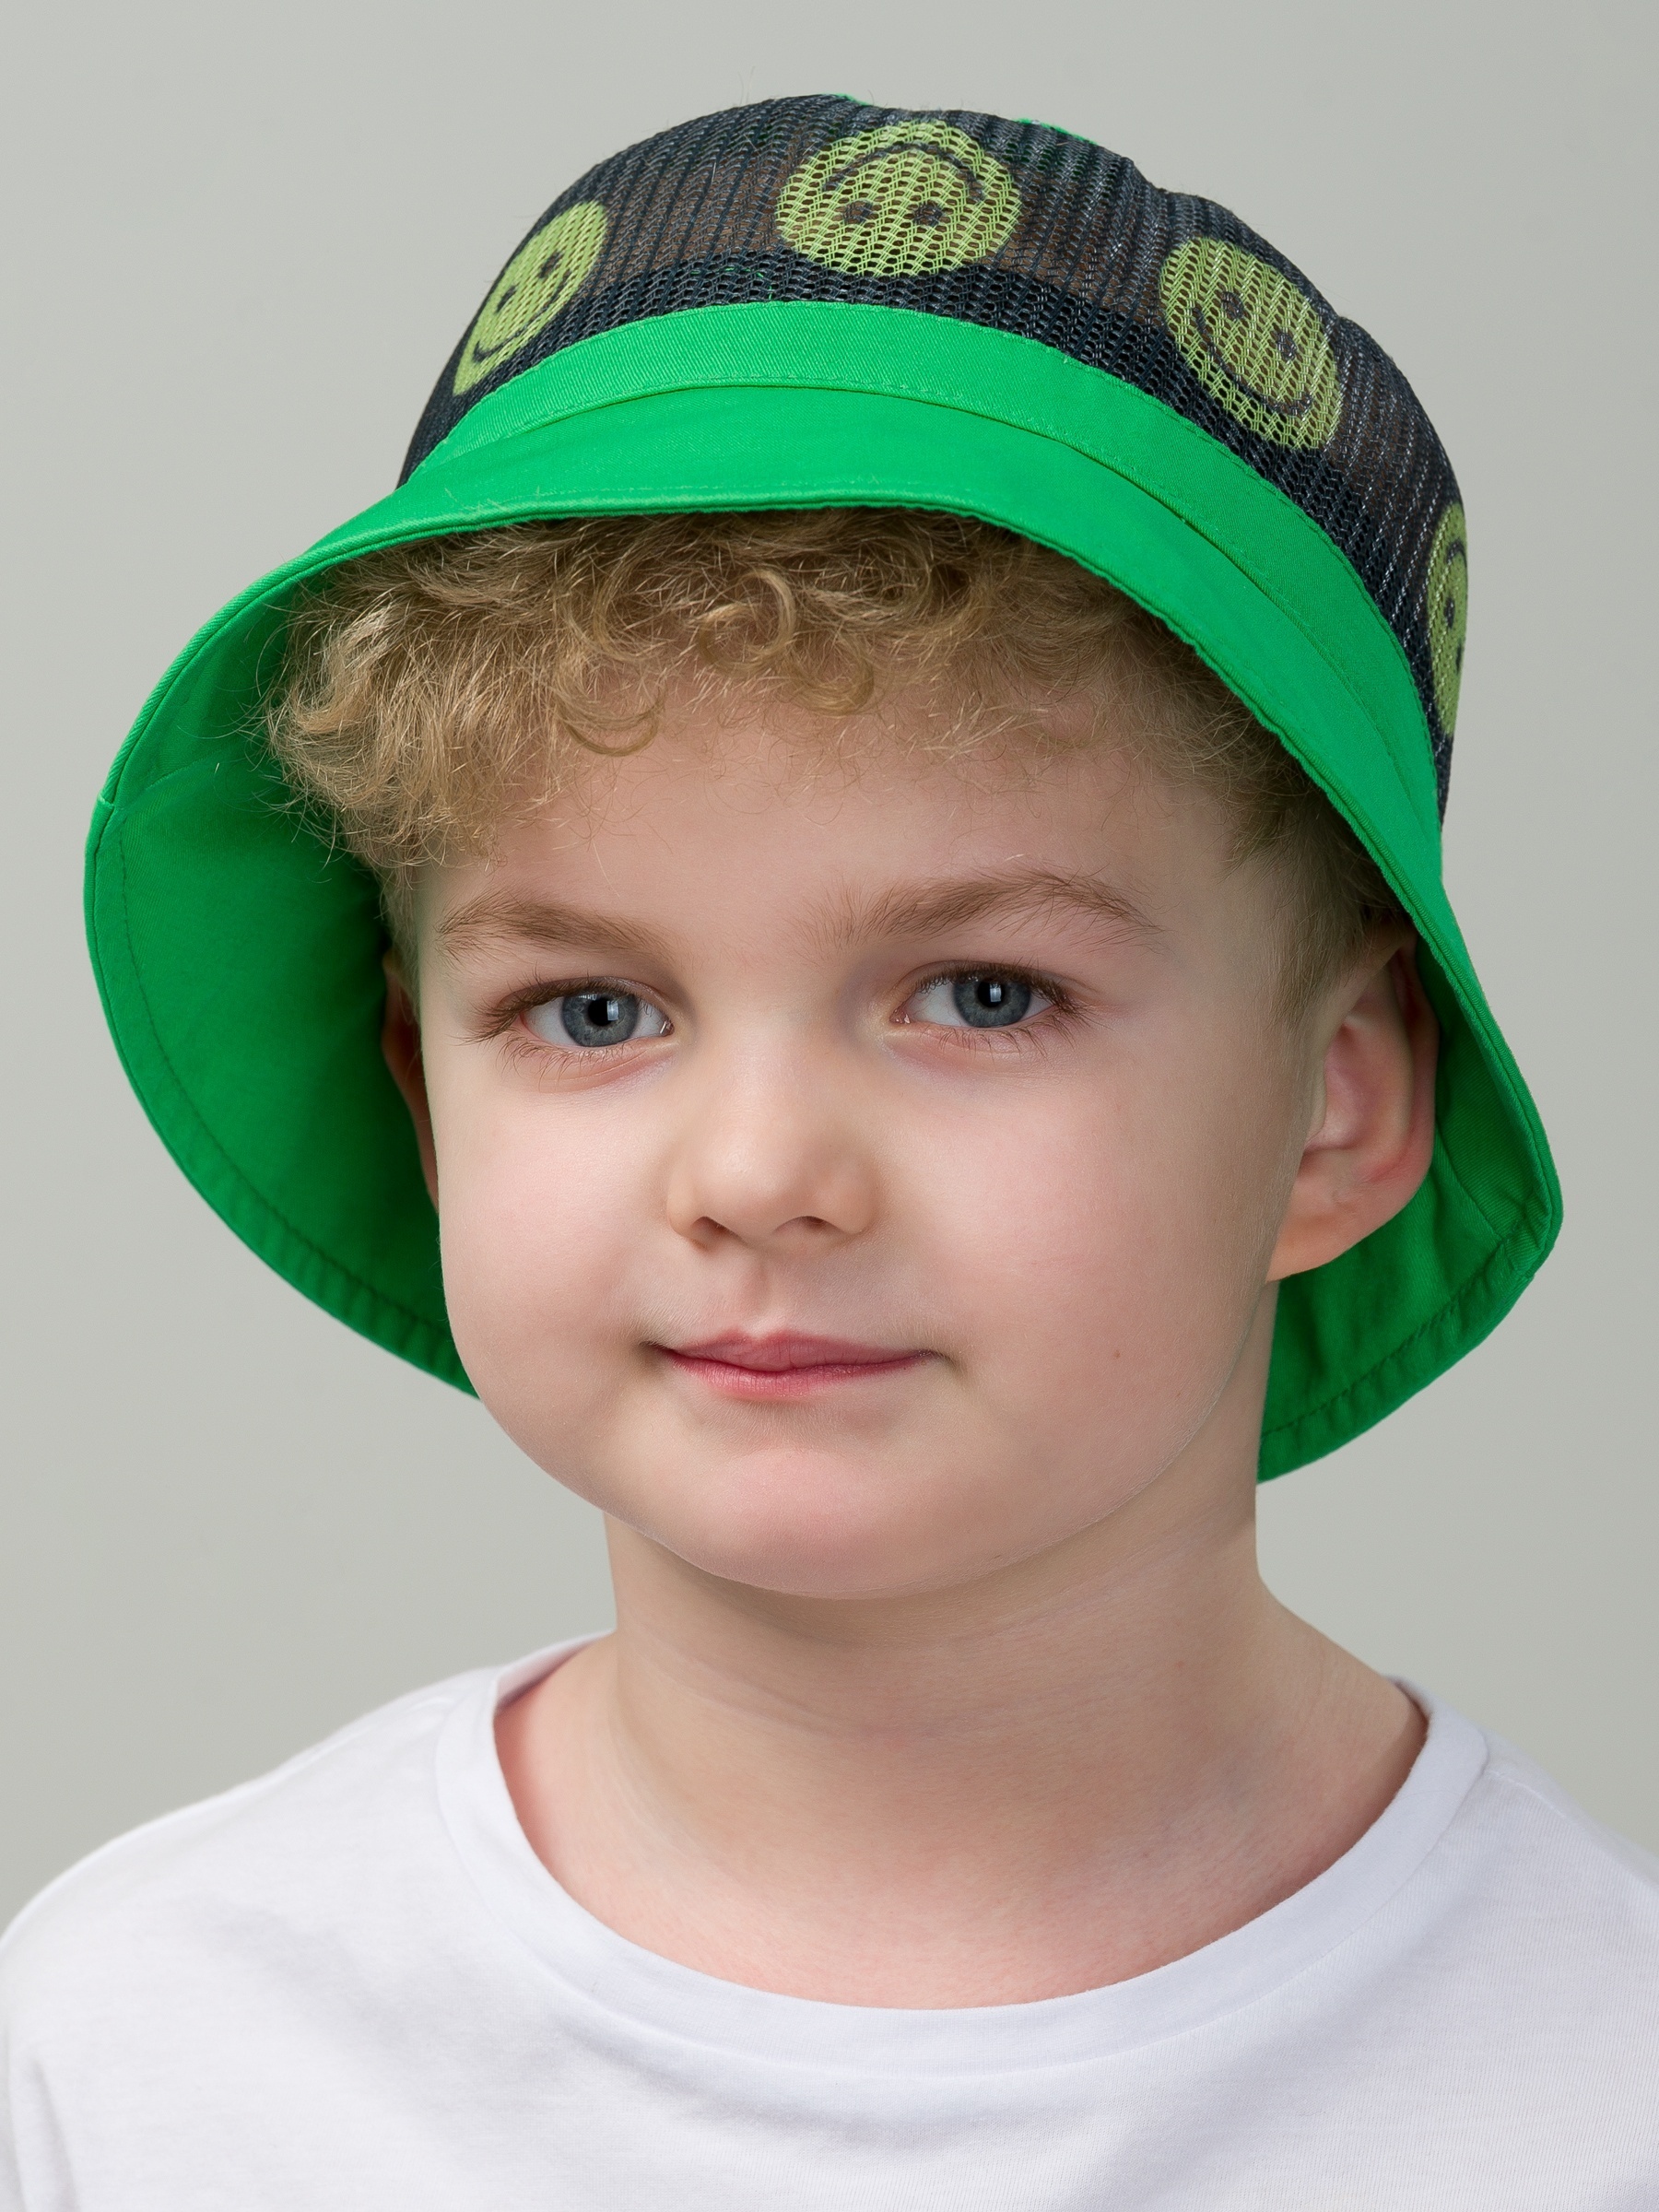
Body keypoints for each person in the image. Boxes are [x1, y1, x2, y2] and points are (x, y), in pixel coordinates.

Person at [4, 95, 1653, 2207]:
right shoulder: (142, 2057)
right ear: (423, 1092)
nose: (759, 1172)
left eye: (984, 993)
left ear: (1336, 1099)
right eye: (592, 1011)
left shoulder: (1599, 2088)